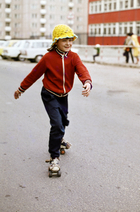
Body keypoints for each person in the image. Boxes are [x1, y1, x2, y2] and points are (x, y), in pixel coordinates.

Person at [14, 24, 92, 176]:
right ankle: (54, 157)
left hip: (64, 96)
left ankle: (60, 138)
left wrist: (87, 82)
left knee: (62, 122)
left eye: (70, 40)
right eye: (64, 40)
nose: (68, 43)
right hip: (49, 95)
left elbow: (82, 70)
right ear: (56, 41)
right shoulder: (48, 58)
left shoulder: (74, 57)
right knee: (56, 124)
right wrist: (21, 89)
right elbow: (34, 74)